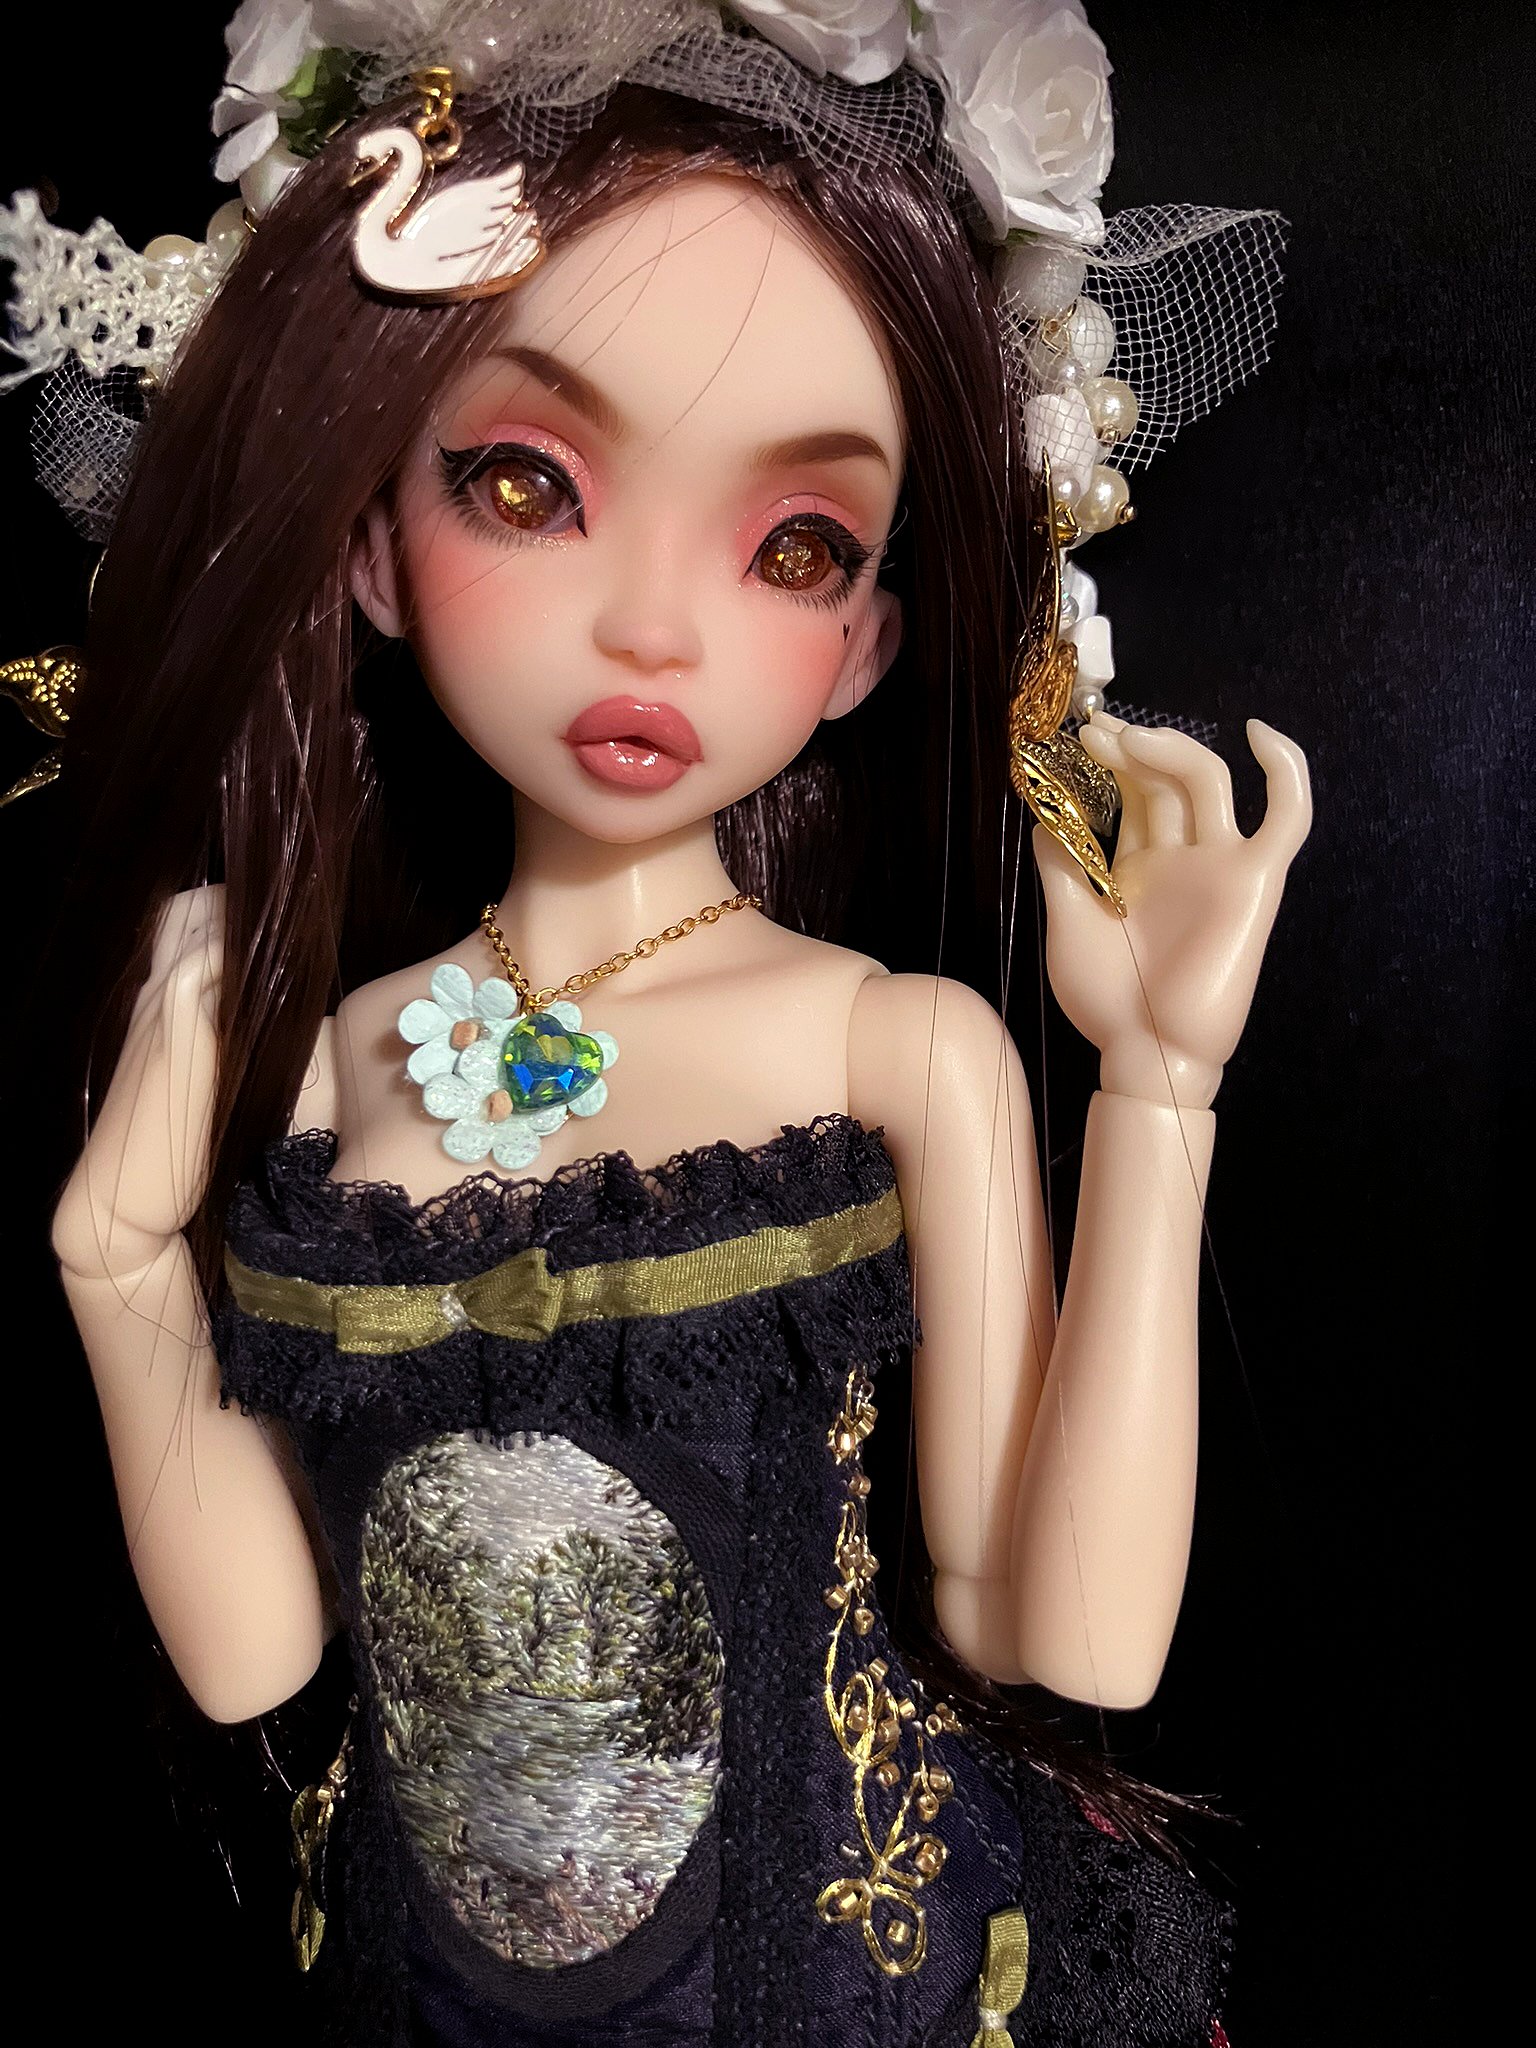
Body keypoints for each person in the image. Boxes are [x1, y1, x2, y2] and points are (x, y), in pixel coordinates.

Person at [16, 6, 1309, 2042]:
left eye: (794, 546)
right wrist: (113, 1260)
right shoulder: (330, 1068)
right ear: (373, 539)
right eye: (525, 484)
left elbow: (1061, 1633)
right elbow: (266, 1658)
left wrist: (1159, 1090)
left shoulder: (896, 1051)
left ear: (869, 635)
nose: (650, 626)